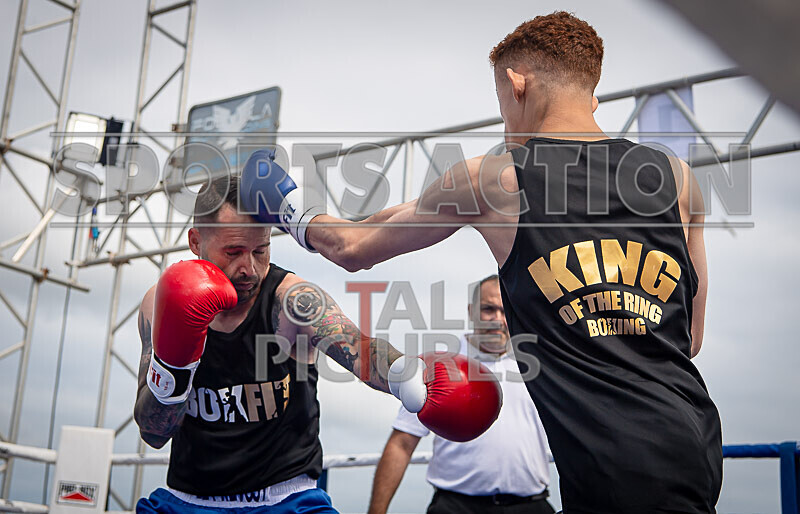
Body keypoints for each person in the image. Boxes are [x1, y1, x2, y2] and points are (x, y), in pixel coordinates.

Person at [248, 11, 723, 514]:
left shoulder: (496, 180)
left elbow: (351, 248)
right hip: (692, 441)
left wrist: (288, 209)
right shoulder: (676, 178)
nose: (505, 125)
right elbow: (688, 338)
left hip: (614, 465)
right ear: (592, 97)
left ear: (517, 86)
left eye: (501, 107)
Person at [133, 173, 502, 513]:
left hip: (285, 500)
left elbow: (359, 348)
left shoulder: (292, 301)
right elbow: (153, 432)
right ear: (196, 241)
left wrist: (410, 379)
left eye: (260, 250)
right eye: (233, 252)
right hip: (187, 500)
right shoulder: (159, 306)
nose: (249, 268)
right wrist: (173, 372)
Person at [368, 275, 554, 514]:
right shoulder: (438, 365)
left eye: (505, 310)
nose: (498, 319)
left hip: (531, 506)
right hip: (456, 507)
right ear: (471, 311)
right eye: (488, 309)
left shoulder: (541, 365)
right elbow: (402, 443)